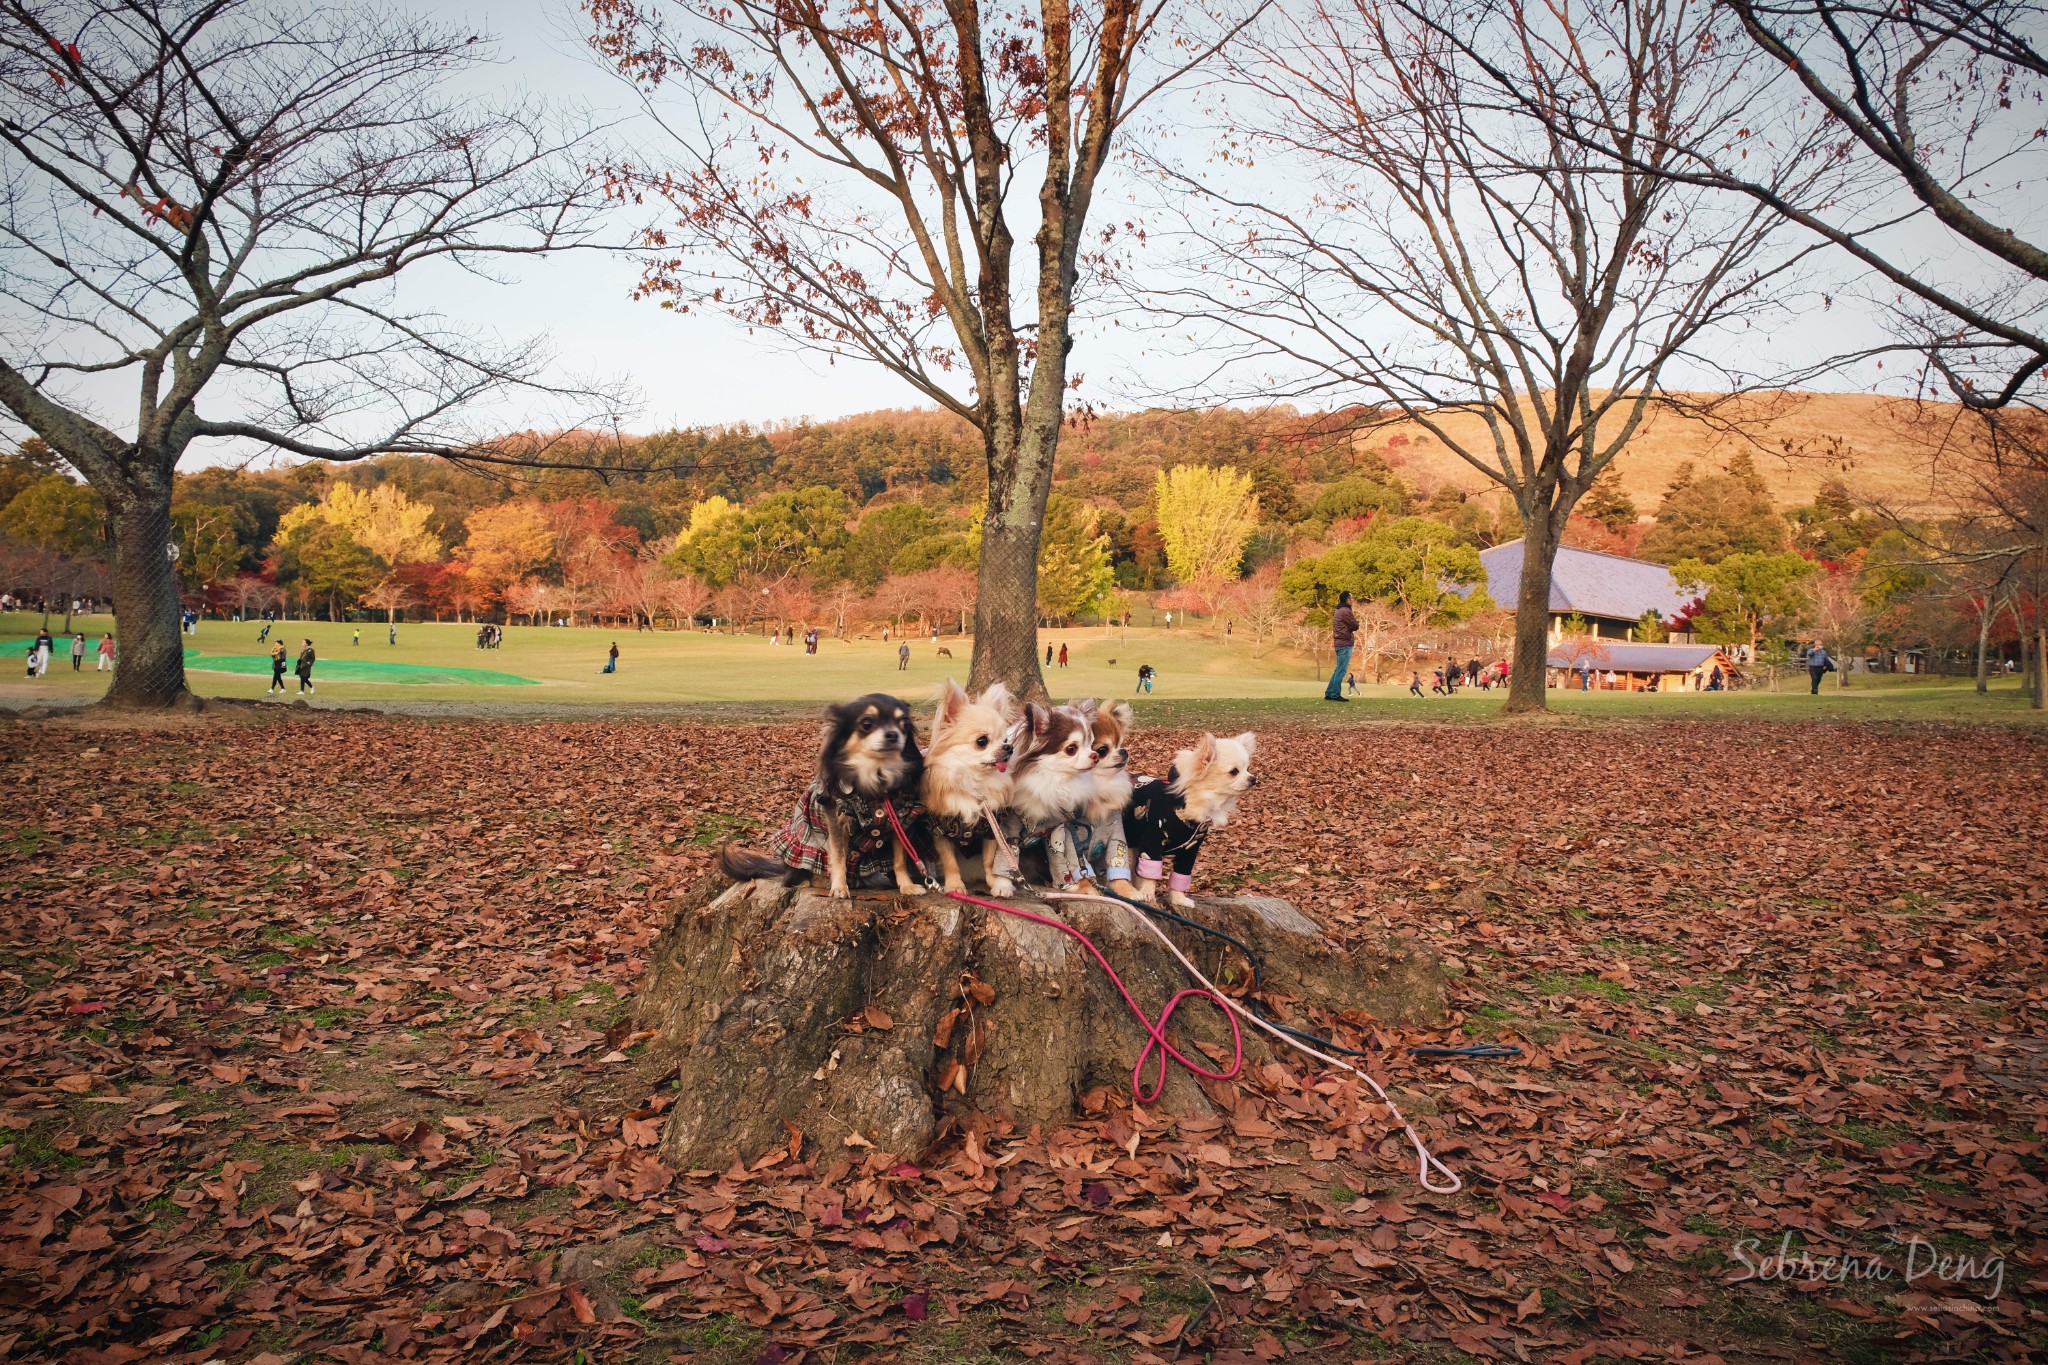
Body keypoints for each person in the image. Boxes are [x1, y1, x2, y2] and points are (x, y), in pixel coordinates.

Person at [1325, 590, 1357, 702]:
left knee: (1338, 669)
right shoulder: (1346, 610)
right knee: (1341, 670)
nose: (1352, 601)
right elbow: (1355, 625)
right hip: (1345, 643)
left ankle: (1329, 692)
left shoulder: (1338, 609)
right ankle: (1335, 694)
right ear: (1347, 599)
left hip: (1338, 643)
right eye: (1351, 598)